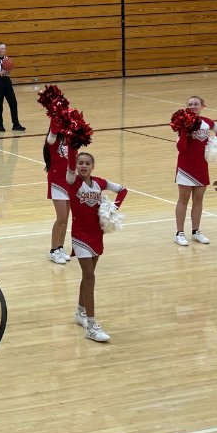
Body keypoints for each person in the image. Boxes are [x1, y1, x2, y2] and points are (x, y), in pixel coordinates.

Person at [66, 146, 127, 343]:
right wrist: (73, 144)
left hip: (96, 234)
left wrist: (112, 209)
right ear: (75, 165)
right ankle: (91, 325)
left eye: (87, 163)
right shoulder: (73, 181)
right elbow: (70, 163)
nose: (83, 166)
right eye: (80, 163)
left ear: (93, 166)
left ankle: (80, 312)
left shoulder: (100, 183)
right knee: (90, 276)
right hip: (80, 235)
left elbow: (122, 190)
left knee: (88, 276)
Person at [173, 95, 217, 246]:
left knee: (199, 199)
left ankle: (196, 232)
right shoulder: (183, 123)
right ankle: (179, 233)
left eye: (196, 104)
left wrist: (213, 146)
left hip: (201, 165)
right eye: (190, 104)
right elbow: (181, 148)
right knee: (183, 199)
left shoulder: (207, 122)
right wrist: (183, 131)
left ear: (202, 106)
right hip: (185, 166)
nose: (193, 106)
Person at [44, 115, 72, 263]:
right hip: (57, 181)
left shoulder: (70, 140)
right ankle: (53, 250)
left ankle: (60, 248)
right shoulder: (52, 139)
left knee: (66, 218)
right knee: (61, 218)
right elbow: (53, 130)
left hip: (69, 181)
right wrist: (56, 112)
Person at [0, 42, 26, 132]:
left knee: (13, 103)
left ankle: (16, 124)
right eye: (1, 48)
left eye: (4, 49)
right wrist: (0, 73)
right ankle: (0, 125)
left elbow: (8, 71)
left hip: (7, 82)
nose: (3, 50)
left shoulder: (7, 59)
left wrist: (8, 71)